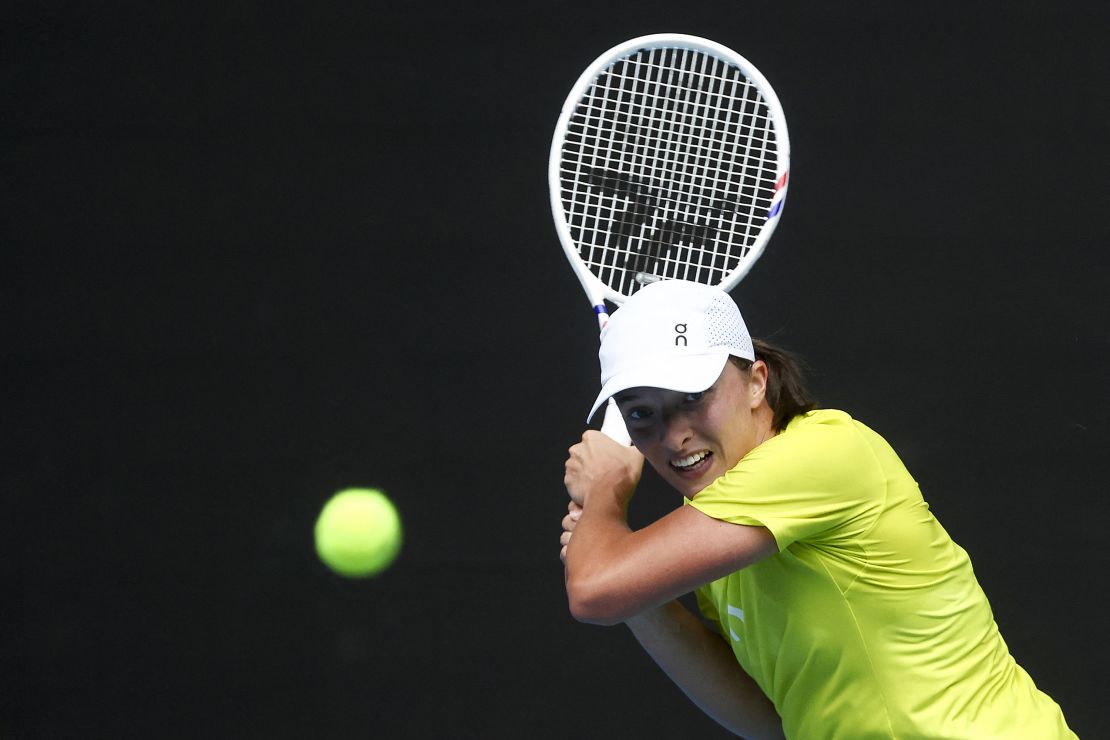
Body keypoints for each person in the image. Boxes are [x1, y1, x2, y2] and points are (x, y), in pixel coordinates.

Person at [558, 279, 1075, 739]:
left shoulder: (822, 453)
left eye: (694, 396)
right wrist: (641, 598)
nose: (674, 435)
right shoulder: (716, 531)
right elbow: (771, 718)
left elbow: (593, 591)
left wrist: (606, 486)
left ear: (756, 382)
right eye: (643, 414)